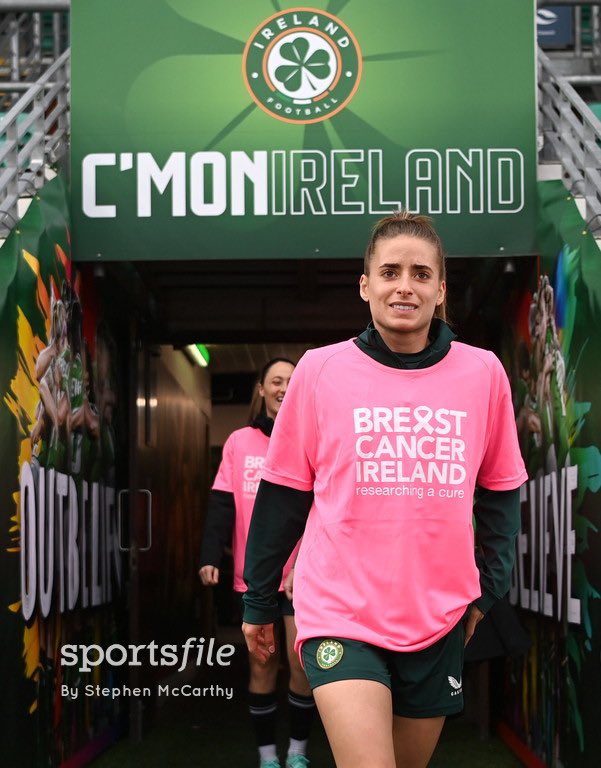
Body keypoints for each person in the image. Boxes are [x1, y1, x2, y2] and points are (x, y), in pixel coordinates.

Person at [241, 212, 528, 768]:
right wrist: (258, 597)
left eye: (422, 274)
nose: (405, 285)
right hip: (340, 612)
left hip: (439, 617)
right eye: (390, 271)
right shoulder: (320, 371)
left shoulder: (484, 373)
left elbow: (500, 492)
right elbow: (284, 497)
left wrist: (487, 592)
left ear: (441, 289)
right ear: (365, 284)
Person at [199, 358, 315, 768]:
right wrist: (210, 555)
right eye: (276, 381)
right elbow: (221, 503)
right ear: (262, 391)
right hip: (255, 580)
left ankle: (297, 753)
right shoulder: (238, 442)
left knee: (302, 668)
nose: (284, 387)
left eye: (291, 380)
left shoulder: (311, 436)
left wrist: (302, 562)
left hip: (303, 579)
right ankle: (268, 757)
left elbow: (326, 508)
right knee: (263, 667)